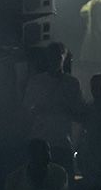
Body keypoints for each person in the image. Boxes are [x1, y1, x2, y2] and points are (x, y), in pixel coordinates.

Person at [22, 41, 84, 172]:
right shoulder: (36, 82)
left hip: (61, 142)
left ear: (64, 58)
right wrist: (37, 111)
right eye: (52, 57)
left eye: (58, 57)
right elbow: (26, 110)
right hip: (39, 141)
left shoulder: (72, 84)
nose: (54, 61)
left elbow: (80, 114)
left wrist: (65, 110)